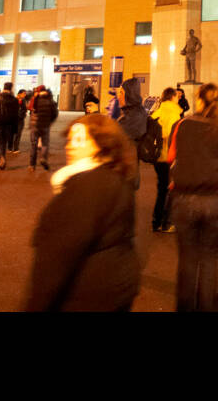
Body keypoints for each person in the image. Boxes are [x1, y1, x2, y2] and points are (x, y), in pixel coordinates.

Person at [21, 114, 141, 311]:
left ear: (100, 144)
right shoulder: (117, 179)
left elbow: (57, 257)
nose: (70, 146)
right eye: (69, 140)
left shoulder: (85, 189)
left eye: (79, 140)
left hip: (85, 294)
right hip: (116, 287)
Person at [165, 83, 218, 312]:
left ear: (201, 101)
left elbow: (170, 157)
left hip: (184, 197)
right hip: (215, 199)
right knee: (210, 257)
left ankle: (184, 307)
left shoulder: (181, 125)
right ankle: (206, 306)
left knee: (187, 257)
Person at [149, 88, 183, 233]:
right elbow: (171, 135)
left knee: (161, 189)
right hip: (168, 156)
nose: (179, 99)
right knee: (170, 190)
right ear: (173, 97)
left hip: (156, 156)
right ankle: (166, 223)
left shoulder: (157, 112)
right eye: (177, 96)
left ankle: (156, 221)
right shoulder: (174, 113)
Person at [27, 84, 58, 172]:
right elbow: (55, 114)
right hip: (45, 125)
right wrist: (50, 121)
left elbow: (30, 108)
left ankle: (32, 165)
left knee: (33, 145)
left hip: (35, 125)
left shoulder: (35, 99)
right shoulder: (50, 100)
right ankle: (43, 158)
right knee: (44, 144)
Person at [0, 83, 20, 170]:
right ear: (11, 88)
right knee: (4, 142)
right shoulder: (14, 99)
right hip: (9, 124)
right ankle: (0, 160)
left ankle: (1, 157)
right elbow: (16, 114)